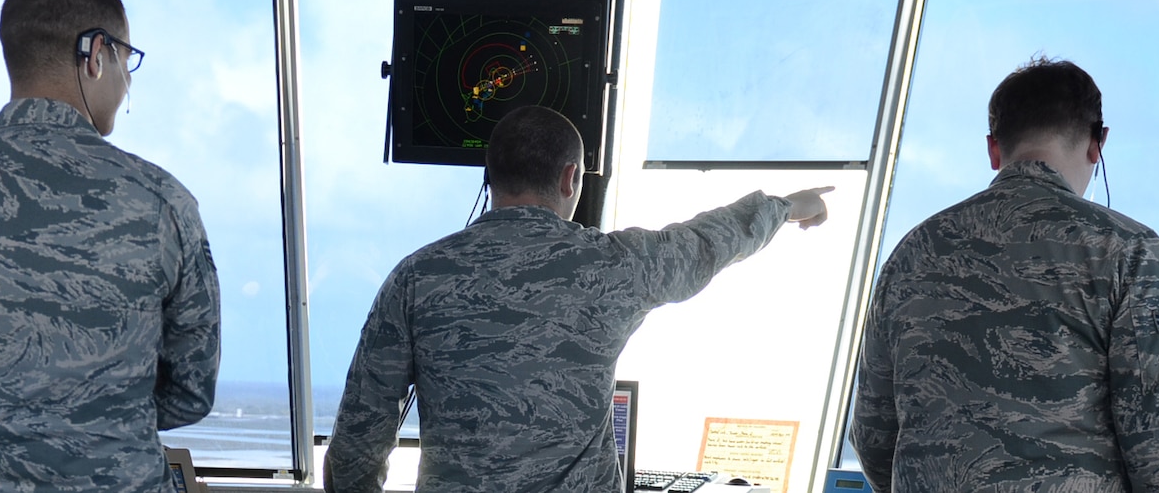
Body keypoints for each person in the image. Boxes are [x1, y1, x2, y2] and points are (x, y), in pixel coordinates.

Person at [324, 105, 831, 493]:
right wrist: (787, 207)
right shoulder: (614, 265)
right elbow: (707, 242)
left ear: (491, 175)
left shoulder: (415, 277)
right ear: (570, 178)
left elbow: (357, 441)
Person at [0, 0, 219, 492]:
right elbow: (190, 391)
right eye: (126, 61)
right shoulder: (160, 202)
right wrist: (95, 405)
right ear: (95, 55)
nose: (126, 81)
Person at [850, 57, 1159, 492]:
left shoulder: (910, 256)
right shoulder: (1131, 255)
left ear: (994, 149)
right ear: (1097, 143)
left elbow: (875, 440)